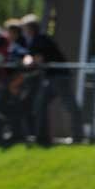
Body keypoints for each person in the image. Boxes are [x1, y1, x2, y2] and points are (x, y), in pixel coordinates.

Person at [21, 13, 83, 144]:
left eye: (25, 28)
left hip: (59, 76)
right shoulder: (35, 40)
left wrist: (27, 62)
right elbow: (31, 56)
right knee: (40, 104)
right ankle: (42, 137)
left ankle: (78, 136)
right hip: (51, 77)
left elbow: (36, 59)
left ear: (30, 29)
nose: (24, 32)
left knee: (69, 105)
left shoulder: (40, 39)